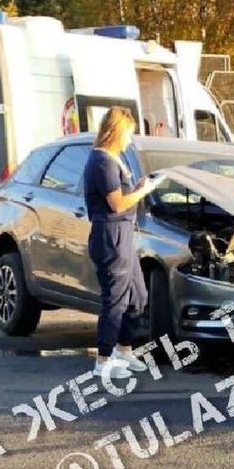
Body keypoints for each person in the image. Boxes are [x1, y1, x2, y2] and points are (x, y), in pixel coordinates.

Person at [83, 107, 157, 379]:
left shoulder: (114, 159)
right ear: (115, 131)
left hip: (123, 235)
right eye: (128, 132)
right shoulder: (103, 162)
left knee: (138, 296)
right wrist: (143, 192)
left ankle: (124, 349)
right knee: (115, 298)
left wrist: (136, 188)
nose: (130, 138)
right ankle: (103, 360)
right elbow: (116, 204)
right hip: (111, 235)